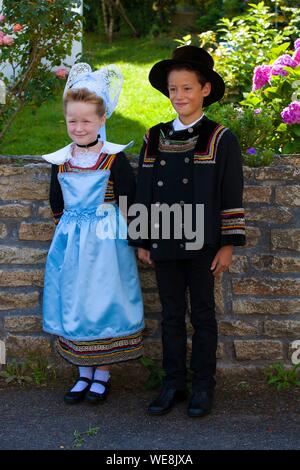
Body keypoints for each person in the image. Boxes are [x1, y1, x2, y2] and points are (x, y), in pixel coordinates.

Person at [129, 46, 246, 417]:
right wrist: (141, 237)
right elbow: (143, 187)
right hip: (163, 240)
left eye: (188, 88)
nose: (179, 96)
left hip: (203, 243)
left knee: (204, 316)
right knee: (170, 315)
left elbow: (231, 192)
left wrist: (228, 245)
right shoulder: (154, 135)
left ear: (205, 90)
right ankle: (173, 383)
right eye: (173, 89)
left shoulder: (220, 137)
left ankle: (203, 386)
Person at [42, 63, 144, 405]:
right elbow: (56, 199)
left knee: (103, 298)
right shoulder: (61, 160)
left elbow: (131, 200)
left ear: (102, 119)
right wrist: (69, 229)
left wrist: (138, 238)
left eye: (86, 120)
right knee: (75, 298)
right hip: (72, 240)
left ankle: (102, 374)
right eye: (73, 120)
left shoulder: (113, 158)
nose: (79, 127)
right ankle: (82, 372)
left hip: (106, 242)